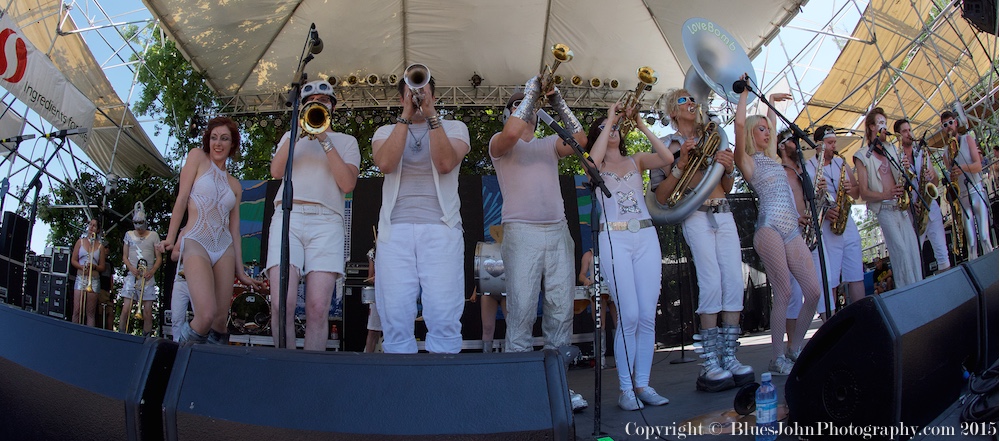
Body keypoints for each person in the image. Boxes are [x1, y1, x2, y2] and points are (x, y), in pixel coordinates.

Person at [489, 81, 588, 411]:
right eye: (518, 106)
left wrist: (557, 100)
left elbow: (581, 140)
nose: (527, 111)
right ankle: (520, 392)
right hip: (521, 234)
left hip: (558, 232)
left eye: (529, 106)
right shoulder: (499, 144)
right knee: (521, 311)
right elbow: (512, 131)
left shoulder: (548, 144)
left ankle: (558, 388)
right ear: (510, 113)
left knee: (561, 313)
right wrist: (530, 95)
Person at [652, 88, 753, 392]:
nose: (691, 103)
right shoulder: (666, 147)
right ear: (672, 112)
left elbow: (725, 185)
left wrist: (729, 167)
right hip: (694, 215)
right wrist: (679, 165)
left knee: (734, 281)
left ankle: (730, 356)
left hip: (723, 211)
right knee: (710, 282)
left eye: (692, 100)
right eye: (683, 100)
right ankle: (710, 362)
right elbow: (660, 196)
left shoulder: (714, 136)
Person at [371, 73, 470, 354]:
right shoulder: (384, 132)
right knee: (395, 313)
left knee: (443, 310)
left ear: (434, 97)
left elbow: (445, 163)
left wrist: (430, 115)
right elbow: (386, 164)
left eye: (423, 91)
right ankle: (401, 386)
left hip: (441, 229)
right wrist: (405, 115)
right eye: (411, 93)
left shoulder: (454, 128)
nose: (417, 96)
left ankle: (443, 384)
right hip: (394, 233)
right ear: (401, 98)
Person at [586, 101, 673, 410]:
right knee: (630, 315)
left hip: (646, 236)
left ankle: (643, 384)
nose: (615, 131)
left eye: (617, 129)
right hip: (615, 238)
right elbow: (591, 163)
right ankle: (626, 389)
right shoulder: (596, 164)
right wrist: (609, 118)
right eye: (608, 129)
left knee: (648, 316)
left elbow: (668, 158)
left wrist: (642, 125)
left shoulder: (636, 160)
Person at [732, 77, 819, 376]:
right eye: (762, 130)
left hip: (791, 229)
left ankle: (795, 348)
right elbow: (740, 126)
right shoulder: (747, 161)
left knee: (813, 290)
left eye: (769, 130)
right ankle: (777, 356)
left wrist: (770, 100)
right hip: (768, 228)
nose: (768, 133)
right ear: (751, 135)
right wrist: (744, 95)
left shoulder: (773, 159)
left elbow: (767, 120)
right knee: (783, 291)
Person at [267, 78, 361, 351]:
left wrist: (324, 140)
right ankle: (285, 368)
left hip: (327, 221)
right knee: (280, 304)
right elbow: (275, 171)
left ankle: (310, 374)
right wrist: (297, 132)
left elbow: (347, 184)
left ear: (332, 106)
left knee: (318, 308)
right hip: (288, 217)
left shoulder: (347, 141)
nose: (316, 106)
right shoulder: (290, 137)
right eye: (309, 103)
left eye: (322, 102)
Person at [159, 116, 260, 344]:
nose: (218, 143)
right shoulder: (197, 157)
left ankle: (210, 369)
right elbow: (182, 198)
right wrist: (170, 237)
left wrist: (241, 273)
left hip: (224, 247)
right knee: (204, 315)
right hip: (196, 239)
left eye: (224, 138)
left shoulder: (235, 185)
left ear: (232, 144)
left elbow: (235, 231)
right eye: (214, 137)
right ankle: (178, 358)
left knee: (218, 322)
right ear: (208, 140)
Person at [853, 107, 922, 288]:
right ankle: (907, 295)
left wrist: (906, 169)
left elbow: (903, 179)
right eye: (881, 123)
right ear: (871, 128)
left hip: (901, 207)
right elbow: (864, 192)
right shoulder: (861, 156)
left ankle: (921, 289)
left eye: (885, 123)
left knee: (913, 251)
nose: (885, 127)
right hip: (884, 209)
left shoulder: (892, 149)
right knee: (901, 253)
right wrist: (886, 194)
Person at [802, 126, 866, 315]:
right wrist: (825, 210)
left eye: (834, 143)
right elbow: (806, 199)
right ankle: (832, 318)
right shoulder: (809, 168)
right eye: (830, 143)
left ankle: (862, 316)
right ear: (819, 145)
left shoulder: (841, 164)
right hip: (827, 227)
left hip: (847, 222)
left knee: (856, 273)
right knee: (830, 277)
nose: (833, 146)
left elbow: (856, 192)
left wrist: (850, 189)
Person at [895, 119, 951, 273]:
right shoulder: (897, 158)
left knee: (942, 253)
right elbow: (898, 189)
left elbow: (935, 180)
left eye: (909, 129)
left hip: (930, 207)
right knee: (915, 257)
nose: (909, 133)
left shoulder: (922, 153)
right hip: (913, 213)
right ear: (898, 136)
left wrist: (932, 175)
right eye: (905, 131)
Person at [941, 110, 994, 259]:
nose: (949, 127)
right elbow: (952, 178)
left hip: (976, 190)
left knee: (984, 237)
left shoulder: (967, 139)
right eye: (945, 125)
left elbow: (978, 166)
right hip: (963, 197)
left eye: (950, 122)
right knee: (971, 244)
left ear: (956, 122)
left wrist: (962, 168)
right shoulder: (945, 153)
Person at [120, 202, 162, 336]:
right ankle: (121, 334)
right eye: (136, 223)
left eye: (140, 223)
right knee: (126, 308)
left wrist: (152, 271)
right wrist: (131, 268)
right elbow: (125, 256)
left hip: (147, 277)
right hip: (133, 276)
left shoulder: (154, 235)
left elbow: (159, 258)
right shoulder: (128, 234)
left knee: (148, 310)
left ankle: (147, 336)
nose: (138, 227)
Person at [71, 219, 105, 326]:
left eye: (94, 226)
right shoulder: (80, 242)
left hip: (93, 280)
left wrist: (94, 267)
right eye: (90, 224)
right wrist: (81, 267)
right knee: (77, 309)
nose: (91, 227)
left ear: (98, 229)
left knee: (90, 313)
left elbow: (102, 267)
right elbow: (73, 260)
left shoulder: (100, 246)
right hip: (81, 277)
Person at [364, 247, 382, 353]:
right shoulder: (373, 252)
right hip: (378, 293)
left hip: (394, 292)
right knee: (373, 329)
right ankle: (368, 357)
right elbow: (370, 278)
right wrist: (376, 278)